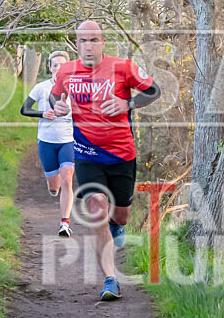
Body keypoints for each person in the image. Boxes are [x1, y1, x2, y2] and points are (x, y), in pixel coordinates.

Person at [50, 20, 161, 300]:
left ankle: (118, 225)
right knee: (97, 210)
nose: (88, 46)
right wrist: (59, 105)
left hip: (122, 154)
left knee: (120, 213)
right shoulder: (66, 71)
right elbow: (54, 99)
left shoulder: (123, 67)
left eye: (94, 40)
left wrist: (129, 104)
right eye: (83, 41)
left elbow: (153, 91)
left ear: (103, 42)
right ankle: (111, 280)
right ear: (76, 44)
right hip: (86, 154)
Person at [20, 50, 75, 238]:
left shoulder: (76, 89)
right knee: (55, 187)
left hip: (68, 141)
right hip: (46, 141)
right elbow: (24, 109)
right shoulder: (41, 88)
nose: (59, 68)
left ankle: (64, 223)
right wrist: (42, 114)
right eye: (55, 65)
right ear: (50, 67)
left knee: (67, 179)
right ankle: (53, 187)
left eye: (63, 65)